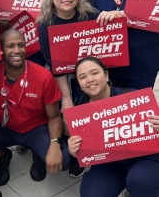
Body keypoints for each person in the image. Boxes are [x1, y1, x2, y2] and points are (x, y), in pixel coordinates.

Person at [0, 29, 70, 186]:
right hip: (3, 127)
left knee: (64, 161)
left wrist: (55, 144)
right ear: (1, 49)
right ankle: (2, 156)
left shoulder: (43, 76)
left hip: (36, 129)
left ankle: (38, 154)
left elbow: (54, 117)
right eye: (11, 46)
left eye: (21, 45)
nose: (17, 50)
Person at [68, 56, 159, 197]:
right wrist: (74, 150)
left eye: (94, 73)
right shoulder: (81, 113)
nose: (90, 79)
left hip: (145, 158)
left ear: (106, 74)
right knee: (92, 193)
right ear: (79, 83)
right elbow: (84, 153)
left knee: (140, 181)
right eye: (83, 77)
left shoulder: (134, 97)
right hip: (111, 164)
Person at [89, 0, 159, 89]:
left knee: (139, 109)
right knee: (114, 108)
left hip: (143, 64)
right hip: (109, 67)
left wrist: (126, 16)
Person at [38, 0, 98, 110]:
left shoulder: (91, 15)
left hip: (90, 72)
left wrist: (113, 15)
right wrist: (66, 98)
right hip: (61, 76)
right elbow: (55, 66)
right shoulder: (45, 24)